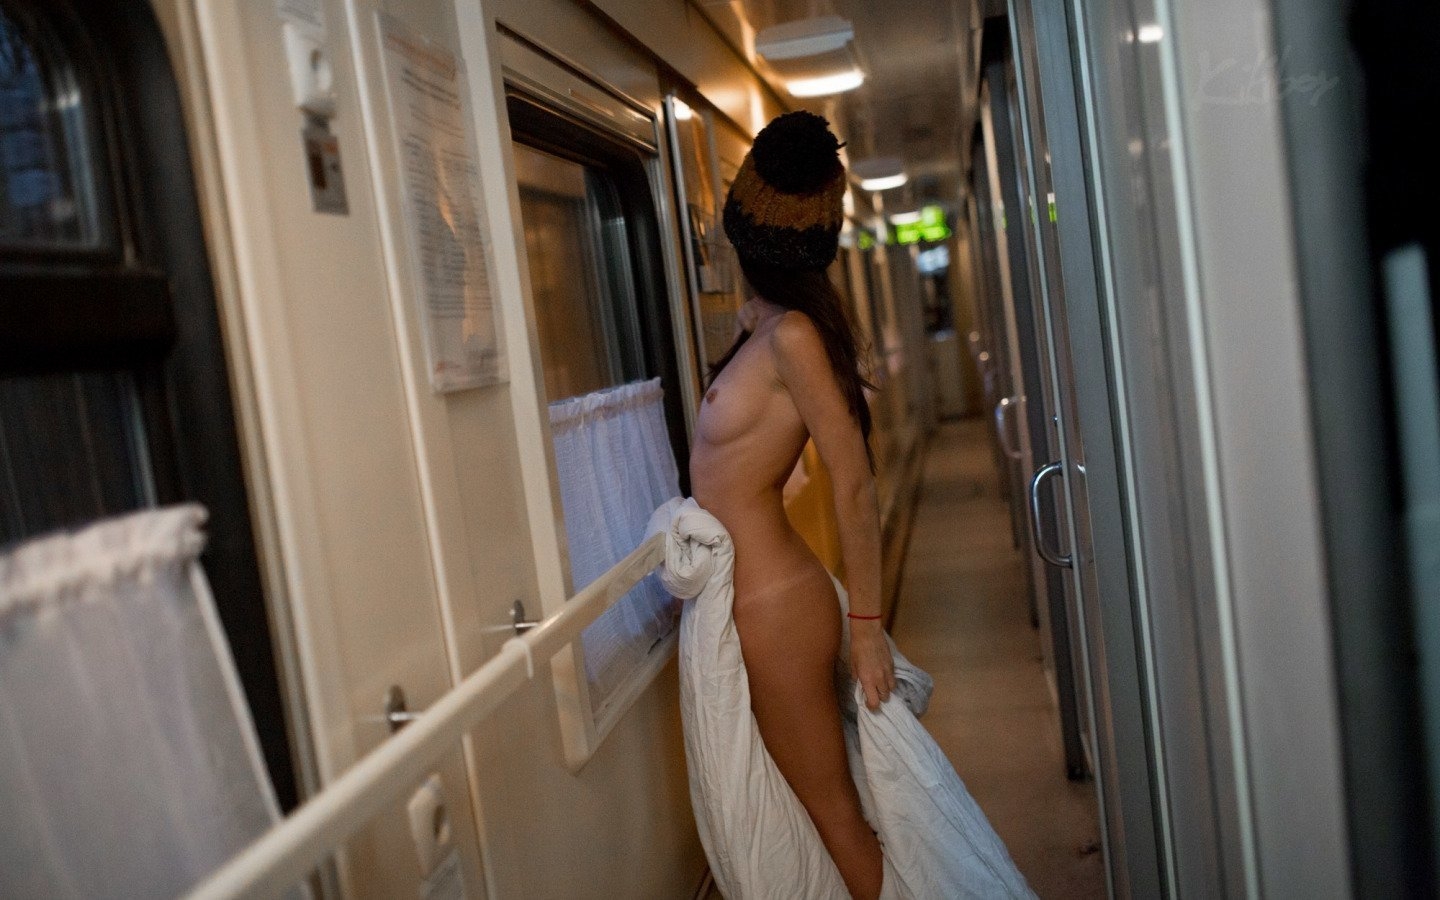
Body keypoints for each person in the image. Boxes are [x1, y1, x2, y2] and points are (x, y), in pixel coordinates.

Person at [688, 110, 894, 900]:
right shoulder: (769, 329)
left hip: (775, 607)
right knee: (822, 814)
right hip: (761, 599)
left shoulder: (792, 338)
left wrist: (867, 629)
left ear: (748, 238)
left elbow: (854, 483)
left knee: (834, 816)